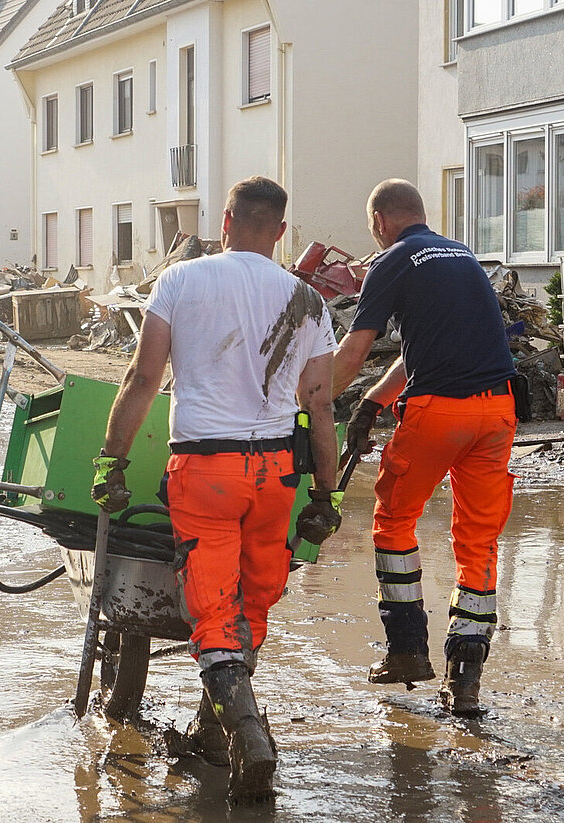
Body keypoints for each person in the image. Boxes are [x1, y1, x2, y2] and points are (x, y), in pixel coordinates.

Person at [92, 176, 340, 800]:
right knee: (253, 598)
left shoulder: (181, 280)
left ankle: (247, 732)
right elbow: (321, 407)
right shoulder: (309, 301)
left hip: (205, 471)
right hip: (276, 474)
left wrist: (110, 462)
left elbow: (144, 378)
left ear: (225, 220)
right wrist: (325, 498)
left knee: (210, 606)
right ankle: (215, 726)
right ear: (281, 232)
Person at [331, 179, 519, 717]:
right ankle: (465, 676)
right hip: (498, 412)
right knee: (479, 542)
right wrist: (372, 403)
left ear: (380, 220)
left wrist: (306, 401)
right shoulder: (463, 257)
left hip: (440, 412)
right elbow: (422, 351)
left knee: (394, 521)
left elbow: (351, 352)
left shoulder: (393, 259)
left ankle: (407, 649)